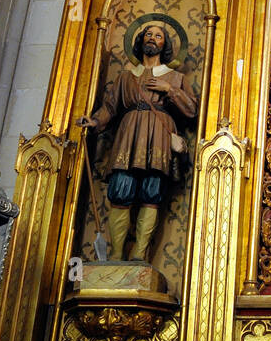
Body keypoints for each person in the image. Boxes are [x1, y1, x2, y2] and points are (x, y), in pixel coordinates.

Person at [81, 21, 197, 261]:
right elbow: (110, 108)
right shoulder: (126, 76)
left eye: (158, 36)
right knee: (120, 190)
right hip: (128, 135)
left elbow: (191, 110)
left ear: (165, 44)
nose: (152, 38)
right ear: (140, 40)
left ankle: (139, 255)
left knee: (151, 192)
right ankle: (115, 254)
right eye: (148, 34)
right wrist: (94, 122)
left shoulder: (175, 77)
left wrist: (169, 89)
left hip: (158, 137)